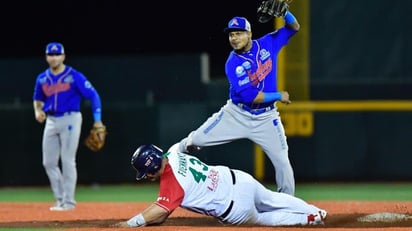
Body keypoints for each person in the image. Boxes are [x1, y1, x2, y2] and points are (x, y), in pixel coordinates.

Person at [177, 9, 300, 196]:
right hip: (237, 114)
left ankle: (289, 204)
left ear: (249, 33)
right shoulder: (233, 63)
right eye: (231, 34)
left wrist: (285, 12)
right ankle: (177, 150)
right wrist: (278, 95)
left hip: (266, 117)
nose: (234, 38)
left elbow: (294, 28)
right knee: (197, 140)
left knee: (283, 163)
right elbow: (251, 96)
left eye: (238, 33)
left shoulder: (267, 43)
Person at [115, 143, 327, 228]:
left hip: (234, 207)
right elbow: (184, 144)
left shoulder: (172, 183)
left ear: (151, 168)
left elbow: (159, 212)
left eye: (146, 172)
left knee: (265, 218)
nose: (148, 177)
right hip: (238, 179)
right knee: (273, 198)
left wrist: (130, 224)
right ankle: (315, 210)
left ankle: (308, 219)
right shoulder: (173, 153)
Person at [33, 42, 105, 211]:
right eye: (50, 54)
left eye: (57, 54)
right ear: (46, 57)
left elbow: (93, 95)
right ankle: (60, 199)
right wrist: (38, 111)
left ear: (63, 56)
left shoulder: (74, 76)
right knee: (48, 162)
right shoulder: (42, 78)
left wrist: (98, 120)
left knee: (67, 160)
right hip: (51, 120)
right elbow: (37, 99)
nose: (54, 57)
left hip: (71, 119)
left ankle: (69, 202)